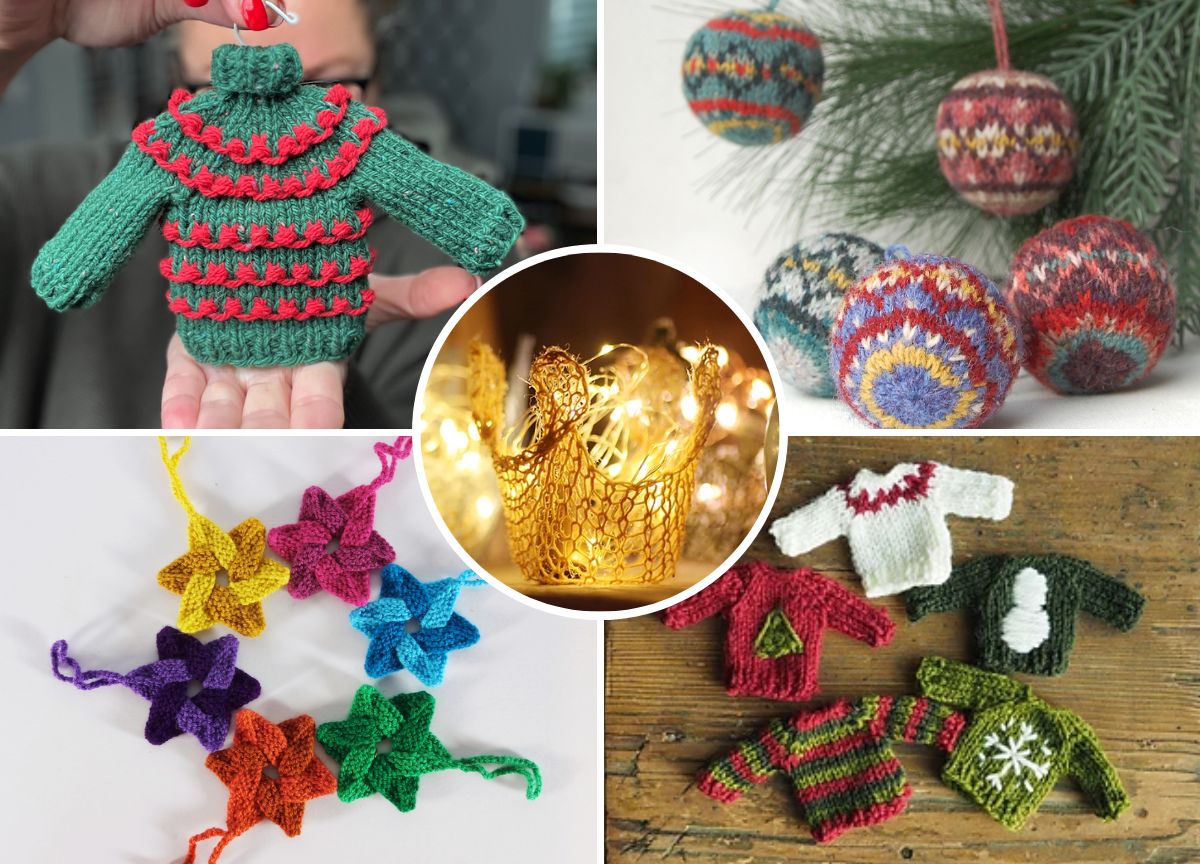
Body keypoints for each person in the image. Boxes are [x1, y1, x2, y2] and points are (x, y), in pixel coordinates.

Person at [0, 0, 499, 428]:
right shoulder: (45, 186)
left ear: (379, 72)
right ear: (177, 75)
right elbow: (464, 210)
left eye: (333, 79)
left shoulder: (174, 143)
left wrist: (487, 230)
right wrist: (16, 36)